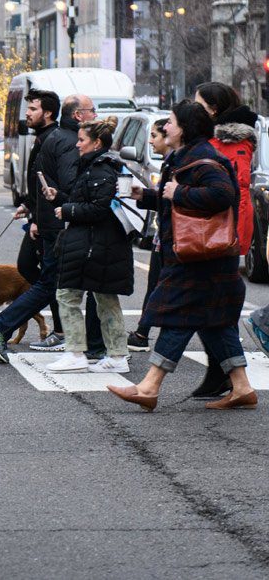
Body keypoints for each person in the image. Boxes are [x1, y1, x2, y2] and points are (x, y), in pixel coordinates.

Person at [109, 101, 256, 411]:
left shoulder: (203, 159)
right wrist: (145, 196)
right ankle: (241, 387)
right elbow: (177, 205)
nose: (166, 128)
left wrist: (179, 193)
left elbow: (222, 195)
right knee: (215, 322)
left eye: (172, 123)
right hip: (202, 256)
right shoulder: (184, 157)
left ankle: (149, 387)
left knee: (178, 316)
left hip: (202, 257)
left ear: (185, 129)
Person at [0, 92, 104, 361]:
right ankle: (0, 325)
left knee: (58, 283)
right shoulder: (68, 142)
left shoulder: (56, 137)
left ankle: (86, 341)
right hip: (61, 224)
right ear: (79, 115)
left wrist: (32, 209)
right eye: (92, 110)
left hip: (52, 222)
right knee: (52, 283)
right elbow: (67, 184)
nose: (95, 115)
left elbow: (43, 181)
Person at [40, 116, 133, 373]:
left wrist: (67, 210)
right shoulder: (97, 166)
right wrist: (59, 197)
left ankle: (77, 353)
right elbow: (89, 199)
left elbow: (99, 208)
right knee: (104, 300)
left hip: (94, 246)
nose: (77, 145)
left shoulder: (100, 169)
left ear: (97, 143)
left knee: (68, 296)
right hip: (98, 245)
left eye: (82, 140)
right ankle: (115, 356)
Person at [189, 82, 258, 399]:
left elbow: (239, 193)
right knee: (209, 308)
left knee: (211, 308)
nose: (193, 107)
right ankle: (222, 375)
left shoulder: (231, 142)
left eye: (198, 103)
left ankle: (227, 376)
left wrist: (235, 240)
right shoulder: (212, 139)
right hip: (211, 233)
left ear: (214, 109)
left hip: (221, 236)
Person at [128, 118, 170, 352]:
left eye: (155, 135)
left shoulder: (179, 164)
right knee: (155, 284)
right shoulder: (169, 163)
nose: (151, 141)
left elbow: (173, 201)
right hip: (163, 235)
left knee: (162, 286)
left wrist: (149, 196)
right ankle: (142, 332)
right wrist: (144, 195)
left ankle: (143, 333)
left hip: (172, 238)